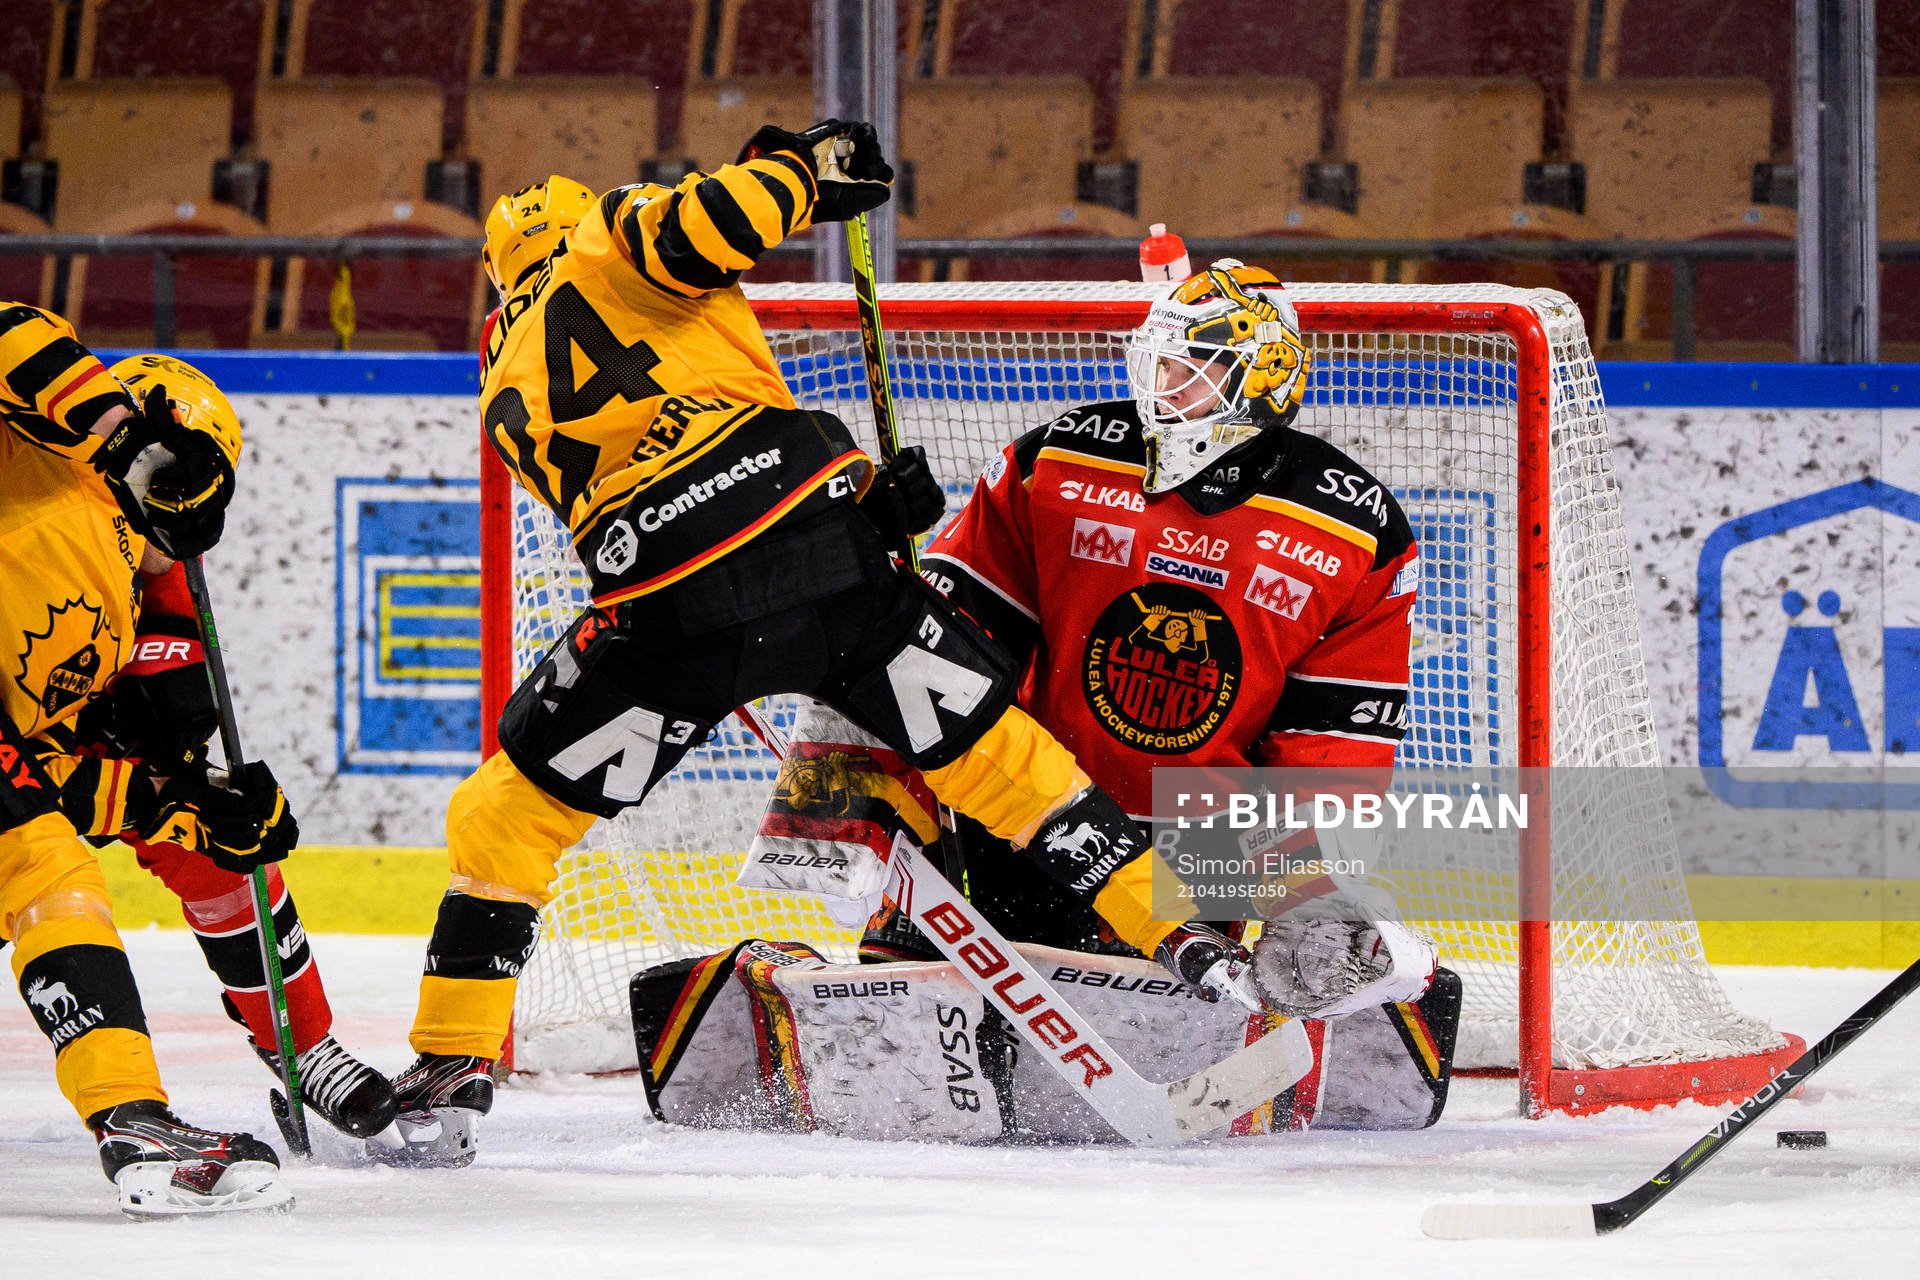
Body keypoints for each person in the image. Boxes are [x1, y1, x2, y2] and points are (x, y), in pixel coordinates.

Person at [385, 123, 1216, 1165]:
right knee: (1001, 759)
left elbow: (667, 461)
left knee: (505, 810)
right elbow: (707, 229)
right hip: (828, 567)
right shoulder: (606, 237)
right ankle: (1185, 935)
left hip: (682, 614)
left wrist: (867, 494)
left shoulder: (505, 373)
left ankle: (452, 1060)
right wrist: (801, 171)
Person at [798, 260, 1440, 1021]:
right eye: (1161, 359)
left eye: (1194, 364)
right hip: (1017, 809)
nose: (1165, 381)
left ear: (1263, 377)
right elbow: (935, 649)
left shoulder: (1356, 527)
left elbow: (1327, 744)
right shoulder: (1063, 456)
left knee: (1154, 1028)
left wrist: (1301, 895)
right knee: (919, 1005)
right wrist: (847, 807)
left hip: (1197, 853)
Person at [0, 306, 295, 1214]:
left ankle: (156, 1106)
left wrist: (190, 799)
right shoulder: (35, 449)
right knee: (47, 869)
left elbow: (53, 778)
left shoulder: (123, 592)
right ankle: (132, 1117)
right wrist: (122, 435)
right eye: (188, 476)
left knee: (49, 853)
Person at [36, 553, 396, 1140]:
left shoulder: (101, 482)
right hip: (18, 744)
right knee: (34, 873)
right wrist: (156, 799)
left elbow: (160, 563)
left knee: (217, 848)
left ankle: (299, 1043)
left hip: (73, 696)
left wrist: (168, 663)